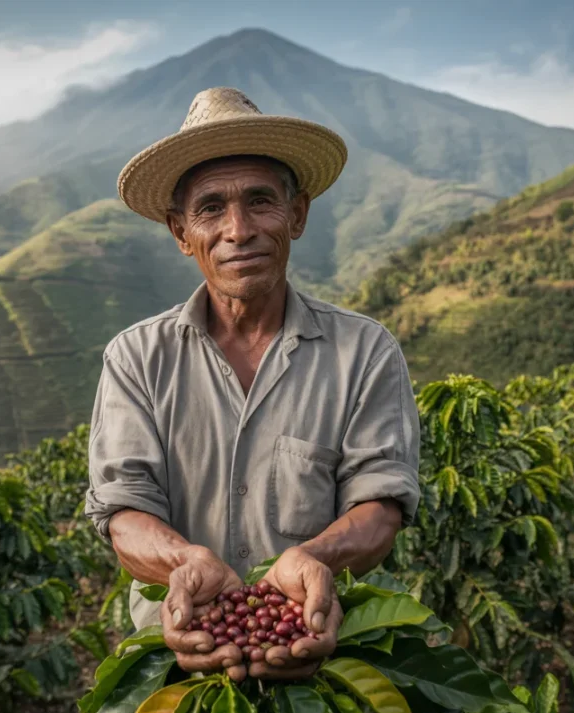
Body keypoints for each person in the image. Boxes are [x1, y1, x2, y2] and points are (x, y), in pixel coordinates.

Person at [84, 87, 421, 682]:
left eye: (260, 201)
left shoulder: (364, 351)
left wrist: (314, 558)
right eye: (210, 208)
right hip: (174, 658)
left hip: (321, 650)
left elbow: (381, 503)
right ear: (181, 232)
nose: (238, 229)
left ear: (298, 214)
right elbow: (124, 510)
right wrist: (185, 562)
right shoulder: (136, 358)